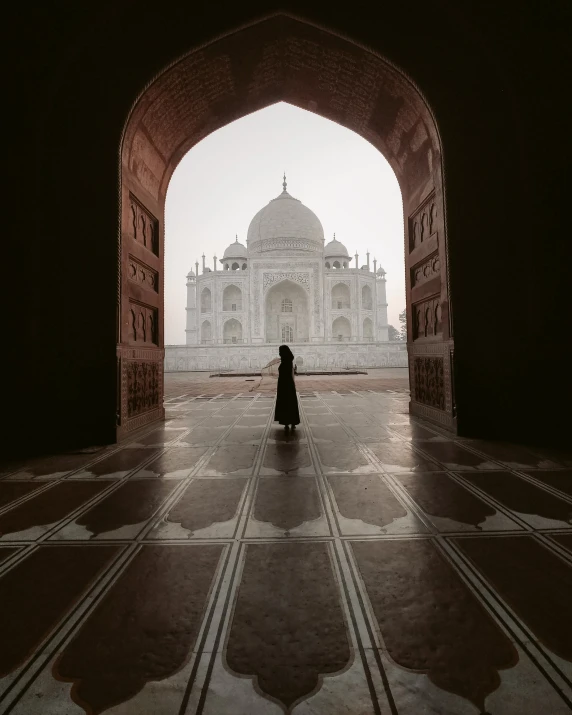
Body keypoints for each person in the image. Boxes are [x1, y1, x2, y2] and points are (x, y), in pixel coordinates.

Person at [274, 344, 300, 430]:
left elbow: (285, 373)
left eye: (280, 351)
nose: (279, 353)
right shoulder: (288, 361)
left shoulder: (285, 362)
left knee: (285, 403)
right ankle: (293, 422)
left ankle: (286, 422)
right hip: (289, 385)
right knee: (290, 403)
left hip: (284, 385)